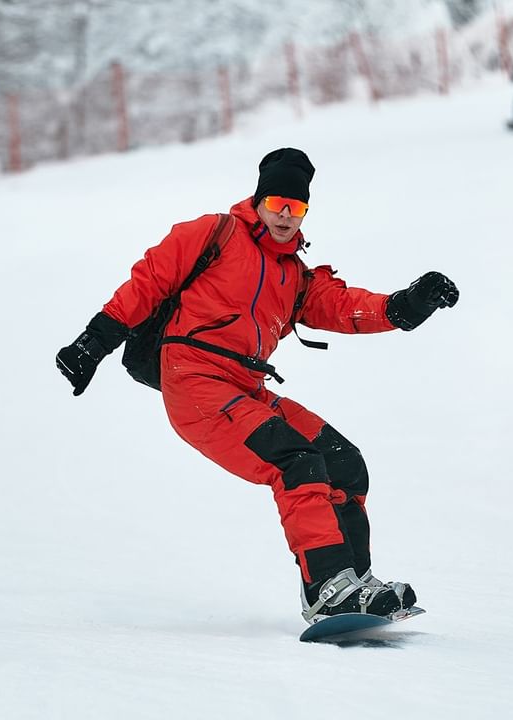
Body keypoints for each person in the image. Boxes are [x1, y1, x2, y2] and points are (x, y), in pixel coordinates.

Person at [55, 148, 459, 624]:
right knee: (296, 460)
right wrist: (92, 343)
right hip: (194, 381)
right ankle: (325, 587)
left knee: (344, 464)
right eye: (278, 204)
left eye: (298, 208)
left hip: (245, 387)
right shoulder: (213, 234)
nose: (287, 216)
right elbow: (148, 282)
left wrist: (407, 305)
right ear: (260, 199)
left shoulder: (295, 275)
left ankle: (354, 582)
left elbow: (344, 307)